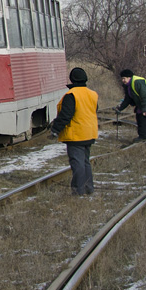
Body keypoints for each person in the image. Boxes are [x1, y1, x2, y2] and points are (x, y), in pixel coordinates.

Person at [50, 67, 99, 196]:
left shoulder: (71, 95)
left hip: (76, 134)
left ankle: (78, 190)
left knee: (77, 163)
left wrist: (55, 129)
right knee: (85, 162)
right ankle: (89, 188)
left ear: (72, 79)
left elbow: (66, 115)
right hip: (90, 133)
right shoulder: (92, 93)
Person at [115, 68, 146, 142]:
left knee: (144, 116)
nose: (123, 80)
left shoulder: (137, 82)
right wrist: (120, 108)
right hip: (144, 101)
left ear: (129, 77)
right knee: (138, 115)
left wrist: (144, 109)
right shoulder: (128, 85)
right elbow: (127, 99)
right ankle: (141, 136)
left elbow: (144, 96)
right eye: (122, 79)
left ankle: (144, 137)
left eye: (124, 78)